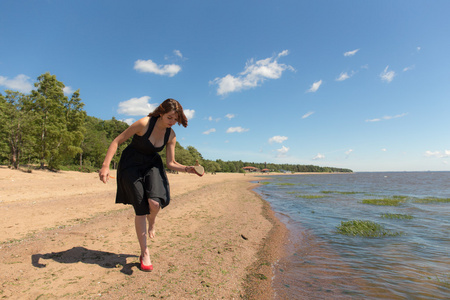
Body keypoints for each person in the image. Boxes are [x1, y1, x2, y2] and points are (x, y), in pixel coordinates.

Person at [99, 98, 197, 271]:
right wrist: (106, 166)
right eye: (169, 118)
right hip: (131, 165)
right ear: (160, 113)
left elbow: (171, 163)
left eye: (175, 119)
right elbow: (116, 141)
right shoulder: (144, 124)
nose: (172, 122)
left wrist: (188, 169)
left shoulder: (171, 135)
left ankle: (152, 222)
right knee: (140, 207)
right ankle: (144, 252)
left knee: (155, 203)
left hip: (152, 165)